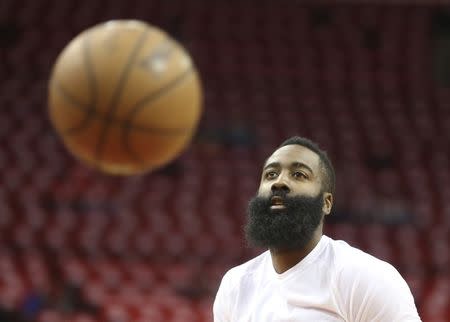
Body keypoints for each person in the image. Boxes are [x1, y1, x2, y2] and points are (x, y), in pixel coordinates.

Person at [213, 136, 421, 321]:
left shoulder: (366, 278)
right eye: (271, 174)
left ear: (326, 203)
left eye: (299, 175)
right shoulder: (235, 285)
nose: (279, 182)